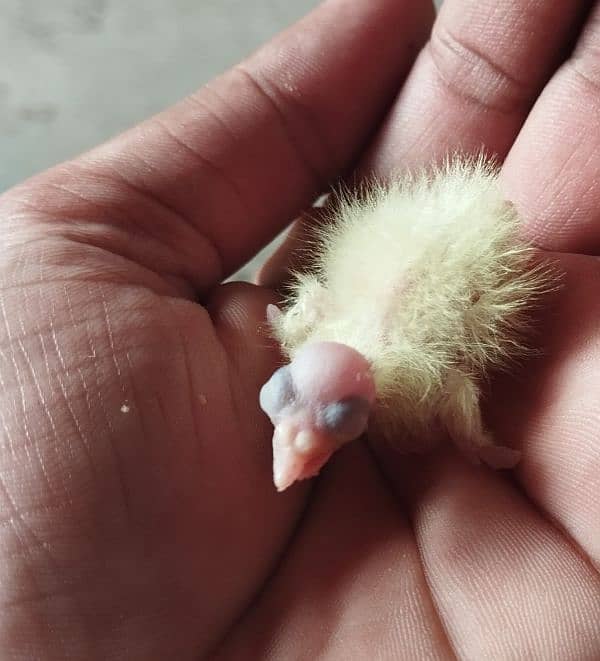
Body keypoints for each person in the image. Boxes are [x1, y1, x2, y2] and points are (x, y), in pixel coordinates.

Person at [1, 0, 599, 658]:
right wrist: (476, 442)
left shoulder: (394, 366)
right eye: (299, 411)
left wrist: (478, 439)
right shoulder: (378, 363)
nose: (298, 444)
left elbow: (441, 377)